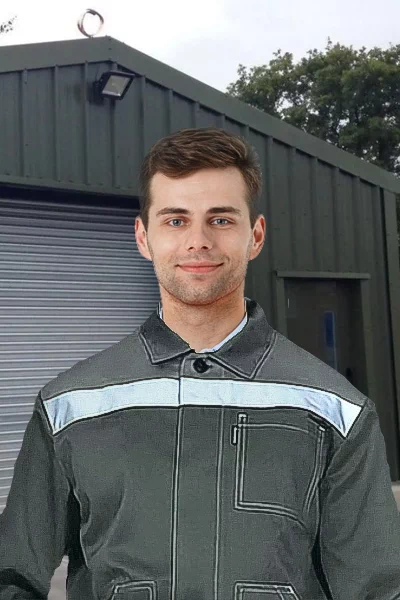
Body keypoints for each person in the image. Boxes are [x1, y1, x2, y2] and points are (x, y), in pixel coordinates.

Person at [0, 127, 399, 600]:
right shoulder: (69, 405)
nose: (198, 241)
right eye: (175, 220)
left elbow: (378, 590)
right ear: (143, 237)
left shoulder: (337, 410)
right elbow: (13, 577)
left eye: (221, 219)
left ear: (255, 236)